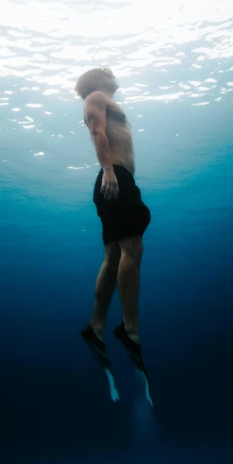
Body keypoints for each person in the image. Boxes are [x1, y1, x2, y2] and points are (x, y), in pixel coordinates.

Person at [75, 67, 152, 404]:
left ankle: (96, 327)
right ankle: (130, 328)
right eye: (106, 71)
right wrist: (109, 170)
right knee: (131, 248)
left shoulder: (103, 99)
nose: (112, 73)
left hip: (116, 178)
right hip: (114, 176)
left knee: (114, 253)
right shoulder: (96, 98)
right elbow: (97, 132)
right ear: (97, 80)